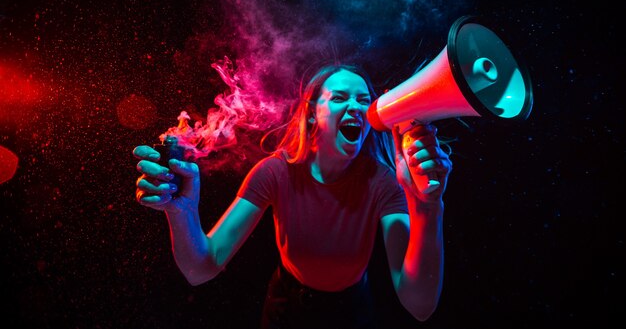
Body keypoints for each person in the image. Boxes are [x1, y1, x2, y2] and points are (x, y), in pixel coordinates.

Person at [133, 63, 452, 329]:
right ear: (313, 113)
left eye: (363, 100)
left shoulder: (383, 182)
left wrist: (427, 205)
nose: (355, 107)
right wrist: (181, 212)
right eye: (339, 97)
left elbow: (419, 304)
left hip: (353, 313)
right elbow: (200, 269)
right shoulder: (275, 172)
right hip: (286, 310)